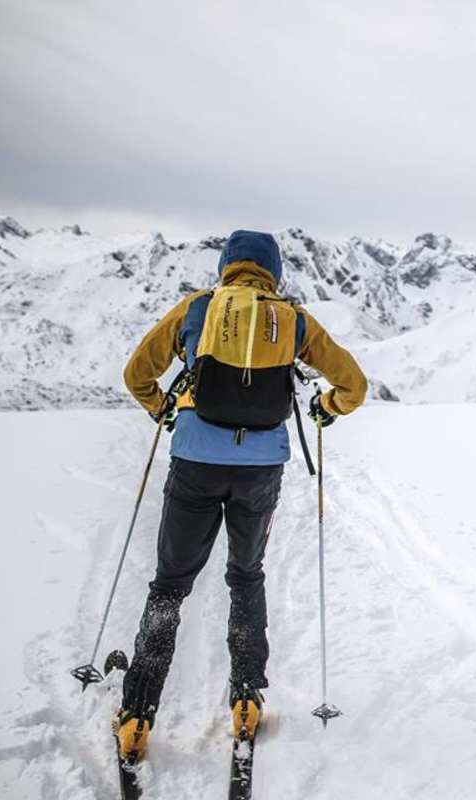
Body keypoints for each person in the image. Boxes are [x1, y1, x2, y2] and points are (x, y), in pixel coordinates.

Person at [115, 229, 367, 762]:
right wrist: (328, 409)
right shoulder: (293, 319)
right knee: (246, 577)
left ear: (227, 266)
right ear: (272, 270)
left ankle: (137, 713)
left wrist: (164, 409)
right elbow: (355, 387)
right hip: (260, 471)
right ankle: (246, 698)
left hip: (195, 464)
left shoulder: (198, 309)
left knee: (169, 585)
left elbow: (137, 374)